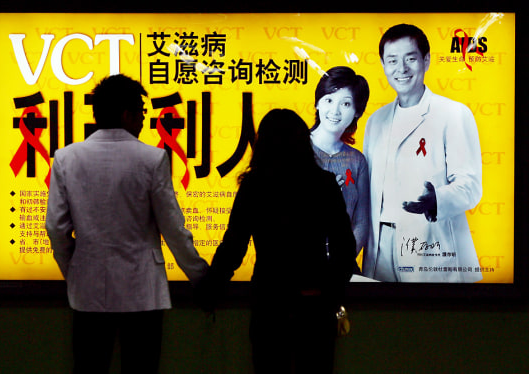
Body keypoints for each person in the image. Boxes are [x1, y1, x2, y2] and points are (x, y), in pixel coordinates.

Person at [45, 74, 209, 373]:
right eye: (142, 113)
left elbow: (55, 227)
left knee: (89, 367)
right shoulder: (152, 158)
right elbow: (172, 227)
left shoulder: (66, 158)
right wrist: (200, 276)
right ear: (126, 114)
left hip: (88, 290)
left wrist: (74, 269)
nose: (144, 121)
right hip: (142, 290)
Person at [197, 109, 357, 374]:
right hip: (314, 302)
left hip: (269, 302)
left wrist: (210, 287)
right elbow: (344, 247)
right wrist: (331, 292)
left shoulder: (255, 185)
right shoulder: (324, 184)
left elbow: (234, 246)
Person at [362, 24, 483, 282]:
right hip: (380, 244)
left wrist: (436, 199)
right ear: (383, 64)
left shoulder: (453, 113)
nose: (401, 69)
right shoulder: (375, 120)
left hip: (430, 243)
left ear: (426, 60)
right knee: (381, 319)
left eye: (411, 58)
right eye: (392, 60)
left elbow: (470, 186)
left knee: (429, 319)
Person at [310, 66, 370, 270]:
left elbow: (361, 223)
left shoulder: (357, 160)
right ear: (318, 103)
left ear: (357, 112)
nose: (335, 111)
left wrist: (340, 262)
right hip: (299, 268)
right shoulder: (294, 148)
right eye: (328, 100)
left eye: (345, 104)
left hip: (342, 269)